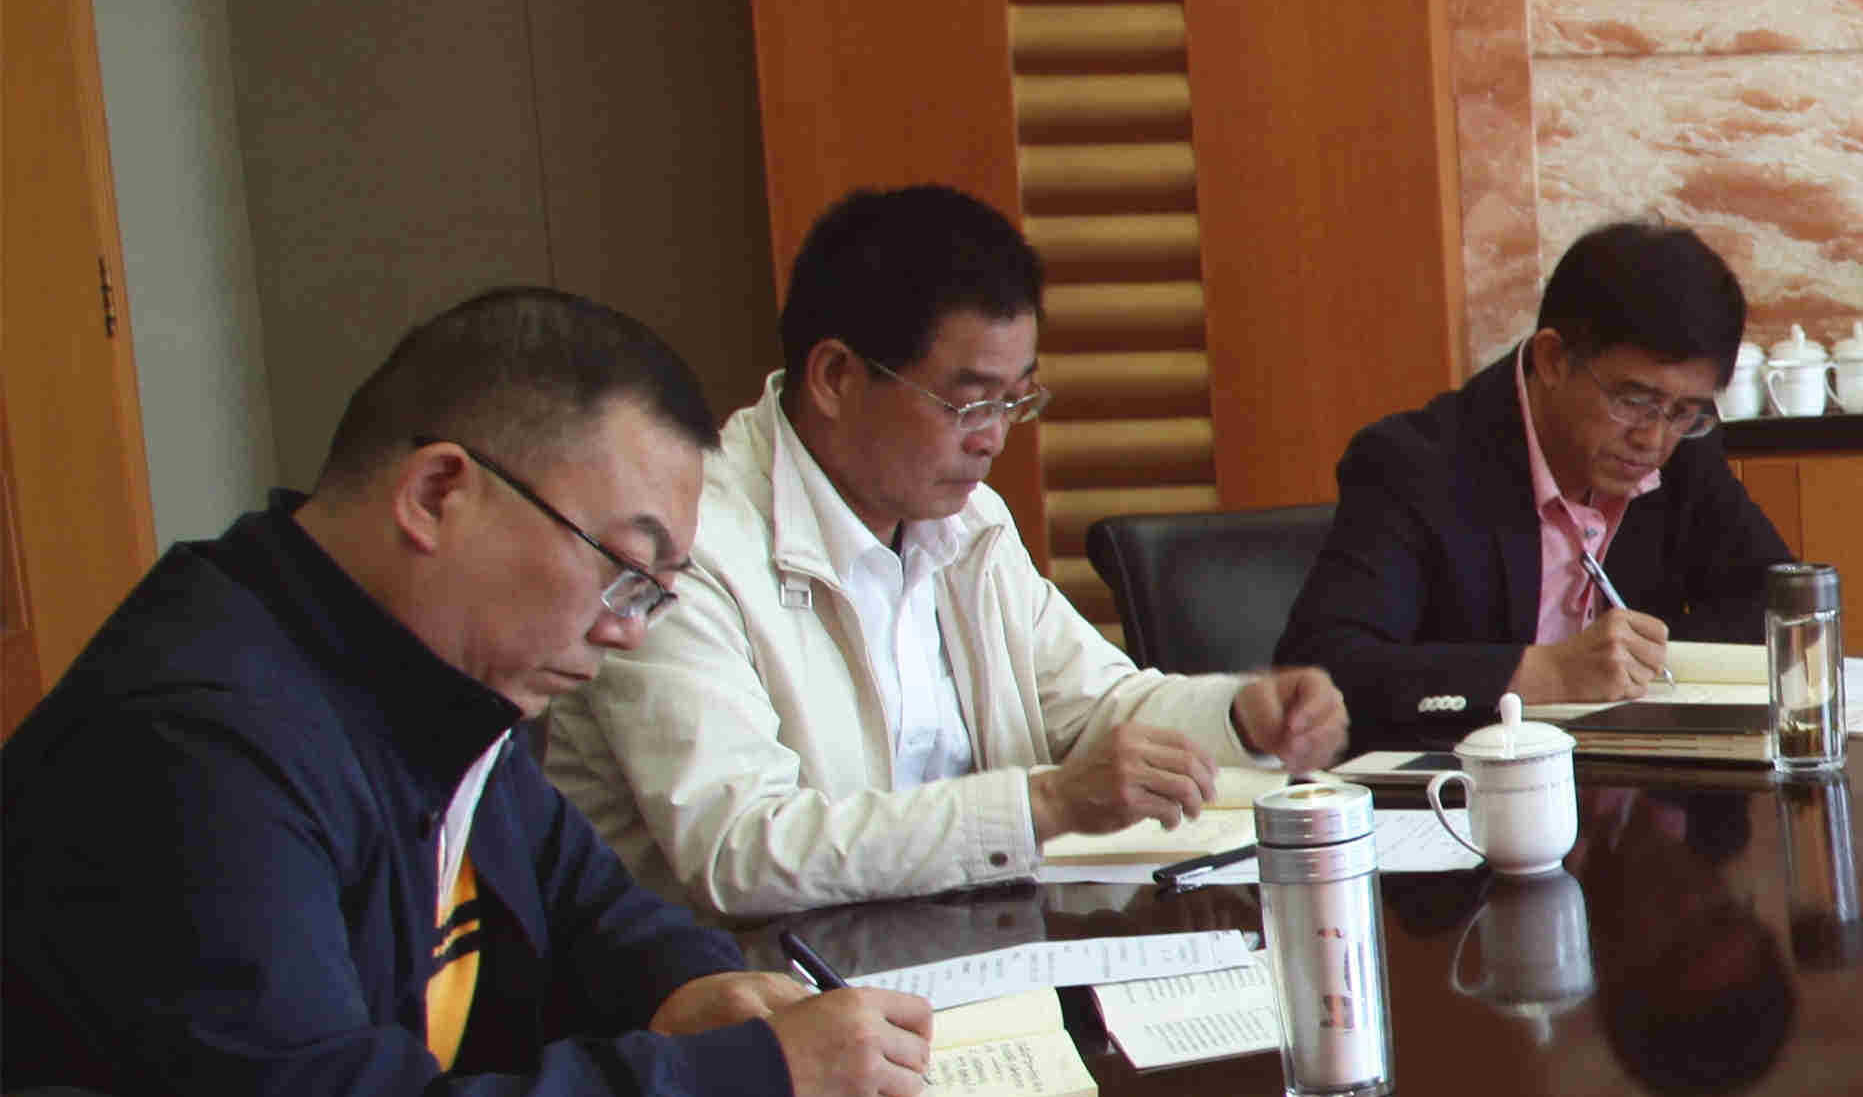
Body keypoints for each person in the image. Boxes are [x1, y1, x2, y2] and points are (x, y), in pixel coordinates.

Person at [1, 289, 937, 1097]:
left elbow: (583, 903)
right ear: (437, 493)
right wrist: (746, 1081)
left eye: (655, 594)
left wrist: (688, 988)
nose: (626, 629)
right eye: (622, 568)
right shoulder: (196, 743)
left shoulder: (422, 667)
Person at [543, 185, 1349, 919]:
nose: (993, 438)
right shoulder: (686, 547)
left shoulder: (968, 522)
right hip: (754, 988)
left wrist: (1240, 715)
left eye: (1015, 400)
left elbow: (1094, 709)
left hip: (968, 954)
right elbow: (742, 849)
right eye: (967, 404)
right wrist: (1042, 805)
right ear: (835, 377)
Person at [1283, 218, 1797, 739]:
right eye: (1632, 400)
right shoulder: (1414, 464)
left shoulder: (1680, 443)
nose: (1653, 438)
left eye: (1684, 411)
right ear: (1552, 359)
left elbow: (1779, 599)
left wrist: (1654, 658)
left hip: (1628, 769)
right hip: (1459, 775)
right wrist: (1545, 673)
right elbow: (1323, 670)